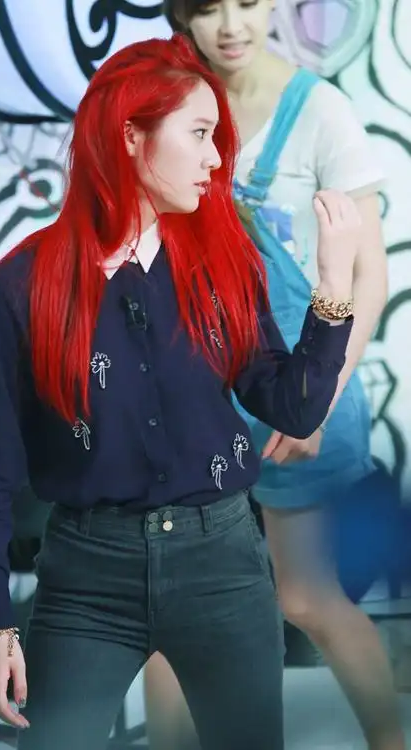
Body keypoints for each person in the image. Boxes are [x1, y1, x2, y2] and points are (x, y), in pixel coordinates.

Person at [0, 34, 360, 750]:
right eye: (199, 134)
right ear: (130, 136)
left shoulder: (228, 262)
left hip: (223, 565)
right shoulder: (18, 289)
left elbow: (291, 407)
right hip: (84, 579)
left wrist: (333, 288)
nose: (216, 159)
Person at [144, 3, 404, 750]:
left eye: (248, 2)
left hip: (296, 381)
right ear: (182, 15)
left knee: (306, 596)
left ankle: (390, 740)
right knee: (167, 610)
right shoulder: (167, 98)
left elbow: (370, 279)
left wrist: (314, 403)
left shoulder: (320, 112)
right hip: (190, 387)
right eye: (208, 8)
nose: (231, 25)